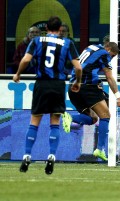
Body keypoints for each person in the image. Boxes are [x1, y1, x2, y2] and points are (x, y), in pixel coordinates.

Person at [13, 16, 82, 175]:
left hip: (41, 84)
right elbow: (78, 67)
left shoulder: (37, 41)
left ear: (46, 29)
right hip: (57, 85)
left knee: (34, 121)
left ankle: (27, 155)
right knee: (55, 122)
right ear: (60, 29)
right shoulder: (67, 43)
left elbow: (26, 59)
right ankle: (51, 155)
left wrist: (18, 74)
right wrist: (77, 82)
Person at [62, 42, 120, 162]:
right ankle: (100, 149)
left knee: (93, 118)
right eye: (112, 55)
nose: (111, 58)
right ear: (108, 48)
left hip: (73, 87)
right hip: (87, 86)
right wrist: (118, 96)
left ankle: (70, 117)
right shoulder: (105, 54)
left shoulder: (90, 47)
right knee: (105, 115)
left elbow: (85, 66)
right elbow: (109, 77)